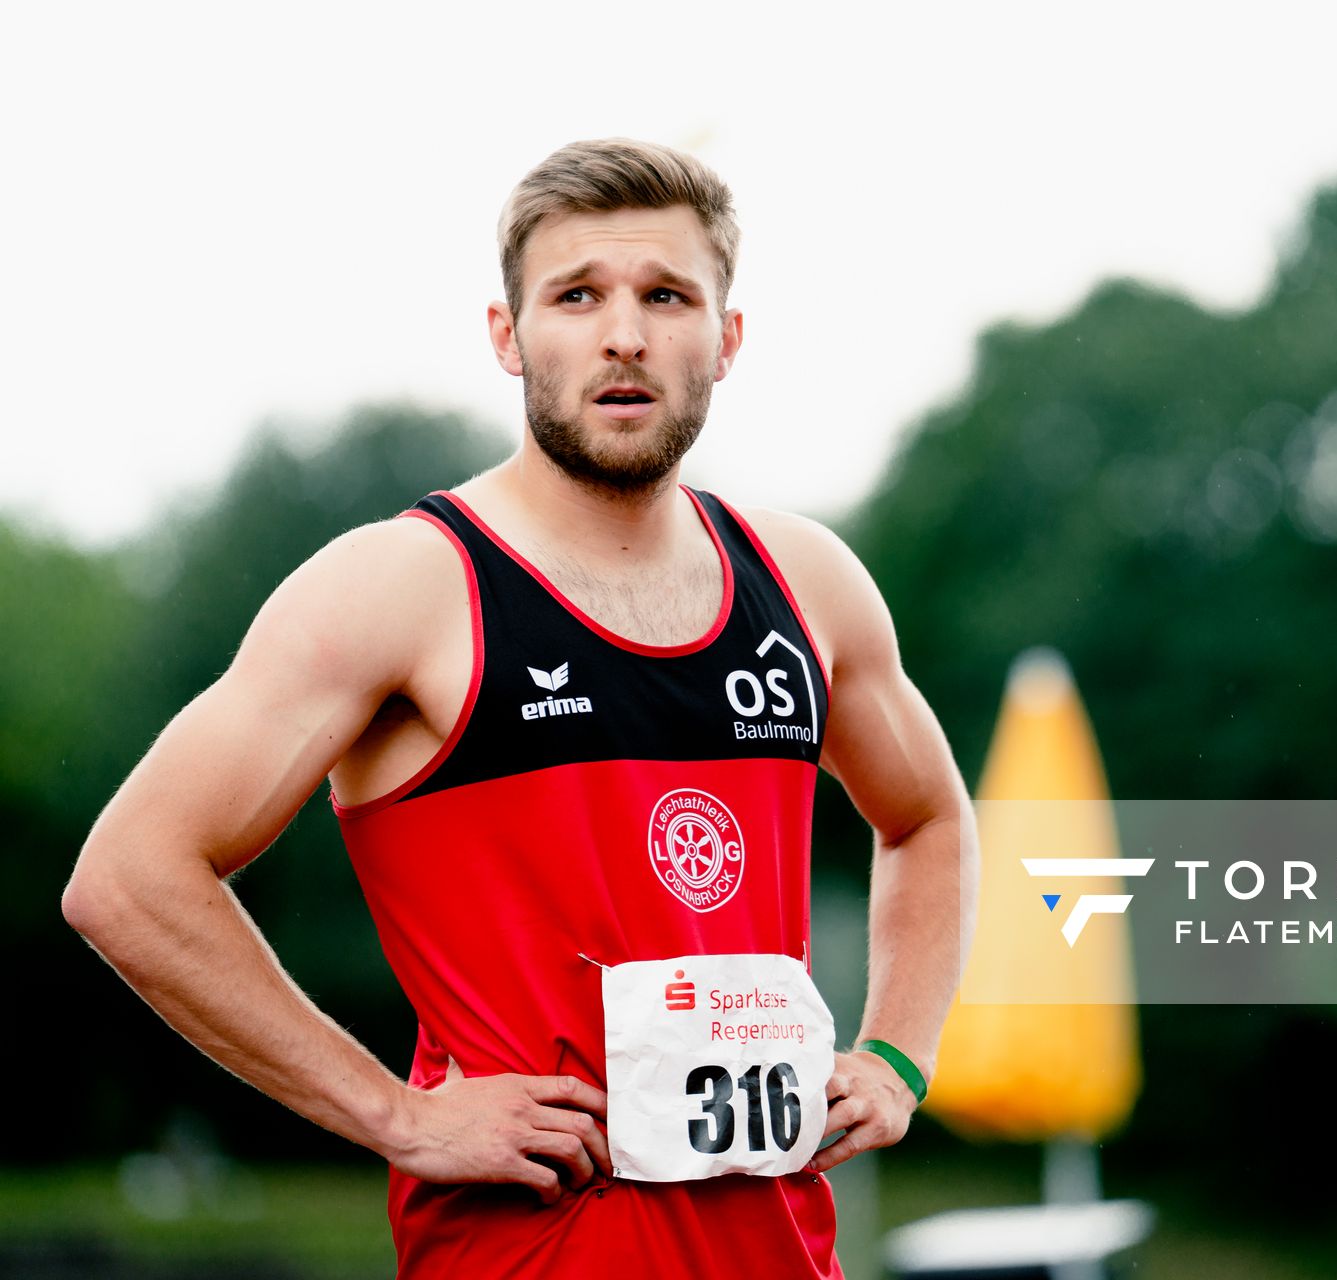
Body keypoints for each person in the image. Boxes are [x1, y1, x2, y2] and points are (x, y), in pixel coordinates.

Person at [62, 138, 978, 1278]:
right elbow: (131, 877)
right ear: (508, 335)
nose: (625, 334)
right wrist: (395, 1112)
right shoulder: (403, 585)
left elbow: (931, 819)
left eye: (667, 296)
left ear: (727, 338)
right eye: (577, 295)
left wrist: (898, 1052)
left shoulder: (810, 583)